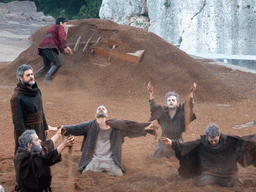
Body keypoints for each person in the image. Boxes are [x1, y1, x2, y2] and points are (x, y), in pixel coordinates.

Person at [60, 105, 156, 176]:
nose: (101, 109)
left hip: (111, 163)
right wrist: (54, 129)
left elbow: (132, 129)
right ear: (95, 114)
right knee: (85, 175)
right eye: (99, 109)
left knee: (120, 176)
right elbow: (74, 128)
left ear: (107, 114)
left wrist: (146, 128)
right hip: (94, 162)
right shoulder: (90, 126)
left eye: (103, 108)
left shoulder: (116, 127)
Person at [161, 123, 256, 187]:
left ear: (219, 135)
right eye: (211, 140)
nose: (214, 142)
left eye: (215, 140)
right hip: (210, 174)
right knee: (202, 183)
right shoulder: (201, 143)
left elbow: (245, 141)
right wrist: (171, 143)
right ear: (207, 136)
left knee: (237, 184)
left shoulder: (230, 141)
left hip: (229, 175)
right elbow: (185, 146)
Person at [10, 64, 55, 154]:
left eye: (32, 74)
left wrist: (45, 127)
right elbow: (18, 123)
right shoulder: (17, 97)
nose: (31, 77)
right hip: (27, 131)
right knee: (28, 156)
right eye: (28, 75)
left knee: (41, 153)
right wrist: (27, 138)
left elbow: (41, 111)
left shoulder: (37, 92)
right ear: (20, 78)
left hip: (40, 128)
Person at [147, 81, 197, 158]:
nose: (171, 102)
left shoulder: (182, 112)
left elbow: (189, 104)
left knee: (184, 158)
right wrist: (151, 93)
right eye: (169, 100)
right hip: (164, 140)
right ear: (166, 102)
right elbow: (153, 106)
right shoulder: (162, 112)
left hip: (177, 141)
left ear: (177, 103)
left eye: (173, 100)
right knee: (156, 157)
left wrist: (191, 92)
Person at [35, 15, 73, 83]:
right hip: (50, 47)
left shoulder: (52, 29)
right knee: (57, 63)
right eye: (65, 24)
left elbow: (57, 42)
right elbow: (61, 38)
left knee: (46, 66)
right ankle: (47, 80)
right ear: (61, 23)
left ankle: (31, 80)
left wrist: (63, 51)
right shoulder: (60, 27)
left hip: (43, 47)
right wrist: (66, 46)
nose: (65, 26)